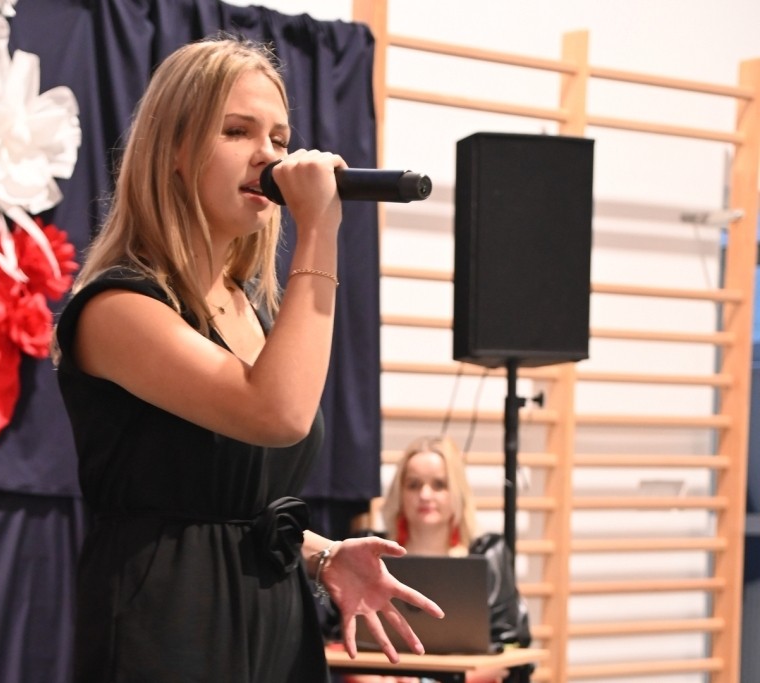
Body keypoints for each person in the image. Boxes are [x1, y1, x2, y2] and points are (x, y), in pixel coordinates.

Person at [53, 34, 444, 683]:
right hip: (168, 625)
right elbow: (278, 414)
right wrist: (319, 230)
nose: (269, 156)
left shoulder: (248, 308)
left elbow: (228, 499)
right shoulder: (117, 307)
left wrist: (322, 554)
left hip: (273, 618)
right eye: (237, 131)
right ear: (173, 150)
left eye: (280, 139)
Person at [345, 435, 532, 683]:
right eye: (413, 485)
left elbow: (509, 648)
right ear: (400, 493)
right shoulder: (369, 552)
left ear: (457, 492)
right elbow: (338, 637)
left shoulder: (488, 554)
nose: (425, 494)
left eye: (439, 485)